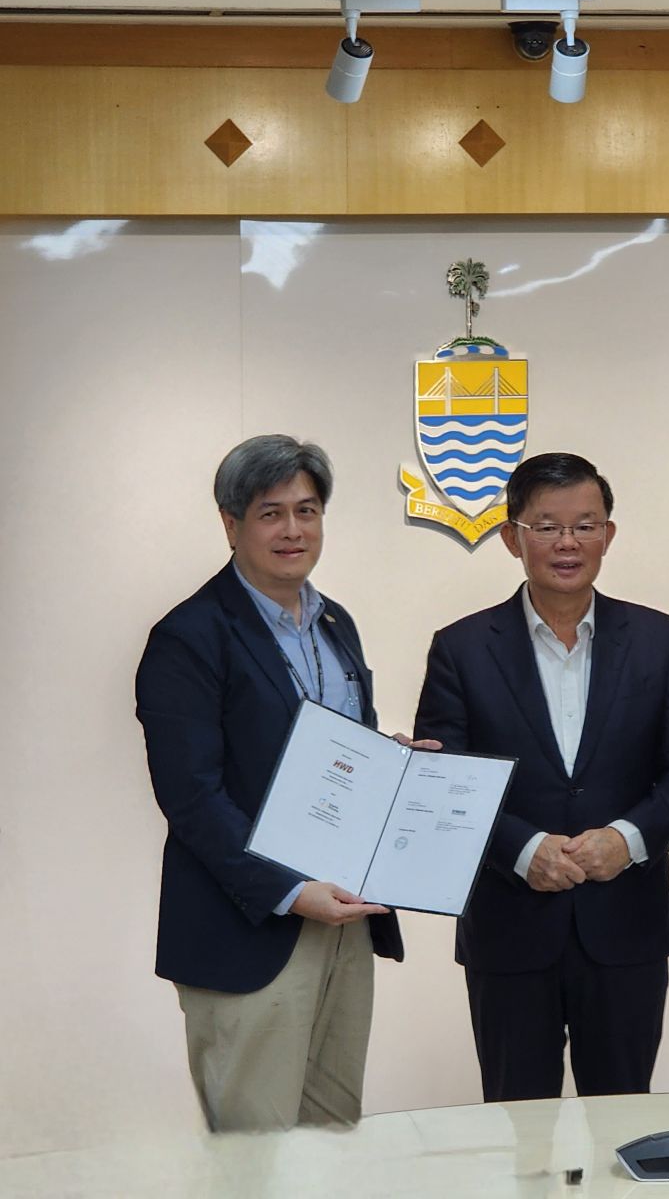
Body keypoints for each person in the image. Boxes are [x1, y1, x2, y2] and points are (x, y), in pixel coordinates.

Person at [135, 435, 435, 1131]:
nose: (293, 530)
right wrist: (291, 892)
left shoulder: (335, 625)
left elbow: (329, 754)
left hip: (346, 920)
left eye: (307, 510)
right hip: (250, 926)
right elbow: (191, 797)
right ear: (230, 523)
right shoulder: (189, 637)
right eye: (271, 513)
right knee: (258, 1156)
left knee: (334, 1137)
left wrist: (388, 762)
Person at [413, 452, 669, 1102]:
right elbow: (444, 782)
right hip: (509, 934)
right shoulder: (460, 649)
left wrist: (627, 839)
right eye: (546, 526)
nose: (567, 543)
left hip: (626, 929)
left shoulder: (659, 640)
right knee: (519, 1128)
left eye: (585, 524)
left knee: (622, 1125)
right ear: (512, 537)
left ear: (609, 534)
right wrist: (522, 849)